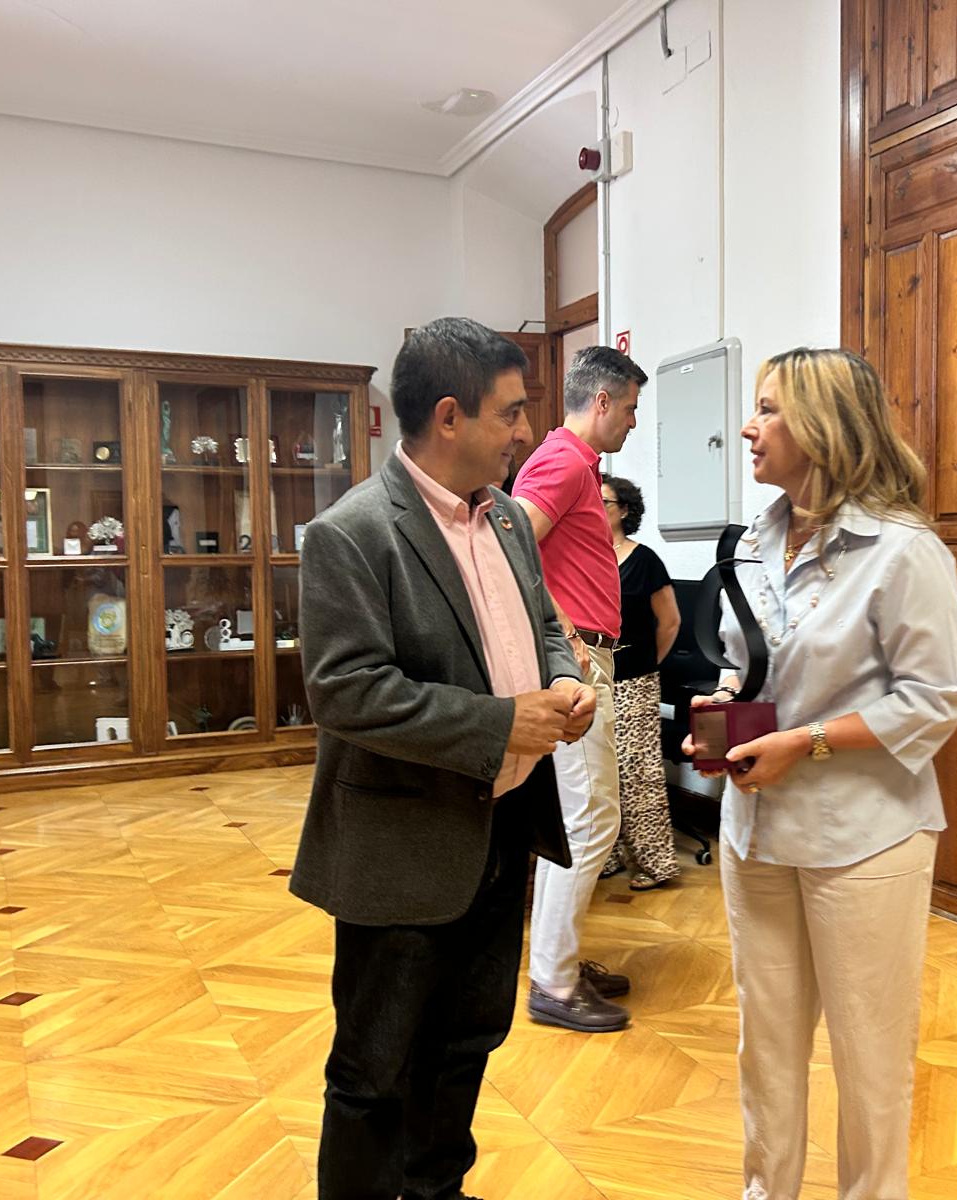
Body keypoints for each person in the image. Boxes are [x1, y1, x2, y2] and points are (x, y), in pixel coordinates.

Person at [290, 317, 595, 1200]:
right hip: (403, 848)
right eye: (512, 411)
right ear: (451, 417)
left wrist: (563, 679)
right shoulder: (353, 532)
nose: (526, 431)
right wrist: (500, 725)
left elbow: (543, 625)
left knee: (466, 1042)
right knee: (375, 1068)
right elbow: (346, 692)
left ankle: (436, 1192)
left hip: (499, 831)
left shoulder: (505, 519)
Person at [685, 348, 957, 1200]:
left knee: (869, 1059)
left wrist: (803, 743)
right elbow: (745, 662)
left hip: (864, 838)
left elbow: (934, 700)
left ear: (823, 425)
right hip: (756, 832)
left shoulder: (903, 551)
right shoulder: (753, 540)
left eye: (768, 409)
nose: (747, 428)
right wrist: (723, 708)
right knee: (765, 1046)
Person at [511, 344, 647, 1033]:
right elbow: (509, 544)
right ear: (601, 401)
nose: (633, 422)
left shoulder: (578, 465)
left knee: (580, 820)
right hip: (576, 665)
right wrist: (562, 635)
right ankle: (555, 984)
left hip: (587, 658)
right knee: (593, 820)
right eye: (630, 408)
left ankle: (557, 960)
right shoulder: (563, 461)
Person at [597, 474, 681, 891]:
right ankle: (608, 854)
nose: (596, 509)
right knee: (600, 772)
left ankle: (656, 863)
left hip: (636, 679)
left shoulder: (644, 560)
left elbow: (670, 622)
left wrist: (646, 664)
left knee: (637, 772)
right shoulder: (586, 558)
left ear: (625, 511)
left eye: (605, 502)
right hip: (594, 679)